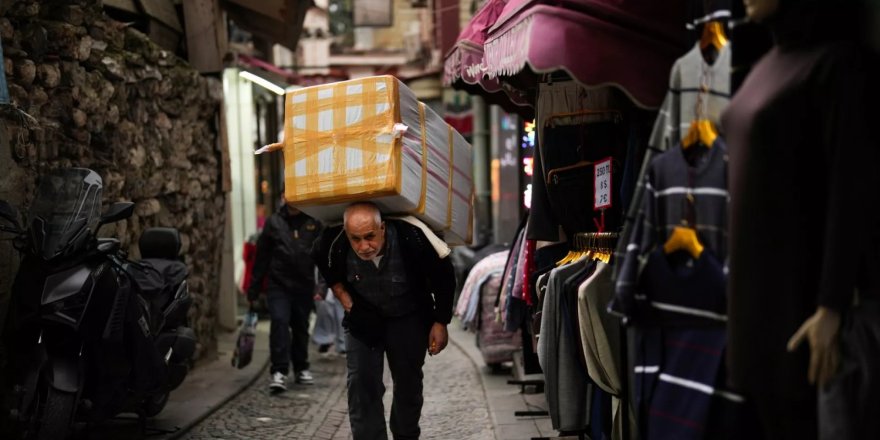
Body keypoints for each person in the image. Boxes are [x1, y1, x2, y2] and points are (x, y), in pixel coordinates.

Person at [312, 202, 455, 440]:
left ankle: (405, 435)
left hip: (408, 315)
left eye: (370, 236)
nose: (364, 246)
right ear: (346, 233)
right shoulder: (332, 242)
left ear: (383, 228)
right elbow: (323, 262)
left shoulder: (413, 239)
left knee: (408, 382)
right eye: (355, 239)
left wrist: (441, 322)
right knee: (361, 382)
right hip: (363, 319)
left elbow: (445, 278)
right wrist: (346, 301)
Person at [248, 201, 322, 392]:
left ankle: (301, 367)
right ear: (284, 197)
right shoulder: (274, 222)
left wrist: (321, 286)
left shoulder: (313, 222)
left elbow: (322, 255)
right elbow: (262, 256)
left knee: (301, 327)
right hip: (278, 285)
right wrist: (254, 288)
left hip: (304, 284)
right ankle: (279, 371)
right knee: (279, 322)